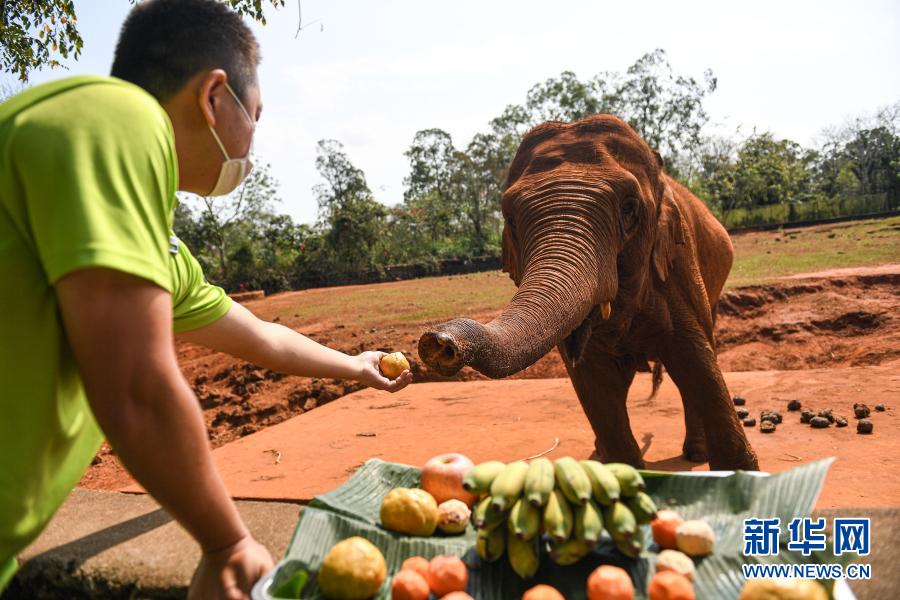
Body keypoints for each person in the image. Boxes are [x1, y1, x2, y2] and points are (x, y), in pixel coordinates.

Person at [0, 0, 412, 597]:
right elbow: (136, 386)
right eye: (257, 115)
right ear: (214, 95)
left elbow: (253, 333)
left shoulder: (151, 238)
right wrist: (228, 541)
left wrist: (355, 365)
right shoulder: (118, 118)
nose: (252, 141)